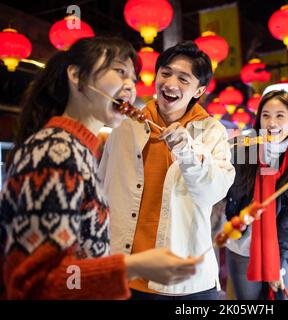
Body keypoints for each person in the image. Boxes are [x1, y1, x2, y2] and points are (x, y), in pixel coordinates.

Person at [0, 36, 203, 300]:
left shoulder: (78, 149)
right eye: (119, 72)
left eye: (133, 77)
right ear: (76, 75)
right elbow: (37, 285)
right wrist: (134, 266)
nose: (130, 86)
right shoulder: (56, 151)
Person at [98, 41, 235, 300]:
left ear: (199, 90)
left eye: (184, 79)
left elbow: (212, 192)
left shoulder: (212, 132)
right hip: (123, 270)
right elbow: (102, 184)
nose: (171, 84)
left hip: (183, 279)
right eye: (165, 73)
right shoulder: (125, 125)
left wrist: (188, 152)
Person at [224, 83, 288, 300]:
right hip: (242, 247)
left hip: (282, 252)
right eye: (265, 115)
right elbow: (230, 193)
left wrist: (278, 265)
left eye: (279, 115)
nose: (271, 123)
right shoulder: (244, 150)